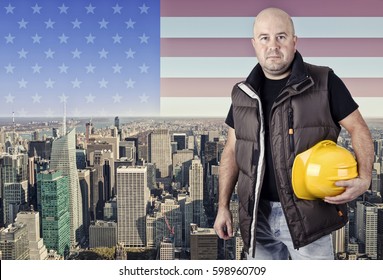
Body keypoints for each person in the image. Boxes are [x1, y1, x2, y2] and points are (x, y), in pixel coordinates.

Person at [213, 7, 374, 260]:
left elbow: (359, 128)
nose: (273, 46)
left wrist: (365, 178)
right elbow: (232, 151)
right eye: (264, 38)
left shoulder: (324, 80)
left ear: (294, 41)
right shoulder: (242, 93)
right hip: (257, 218)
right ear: (254, 44)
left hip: (309, 218)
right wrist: (223, 207)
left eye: (281, 37)